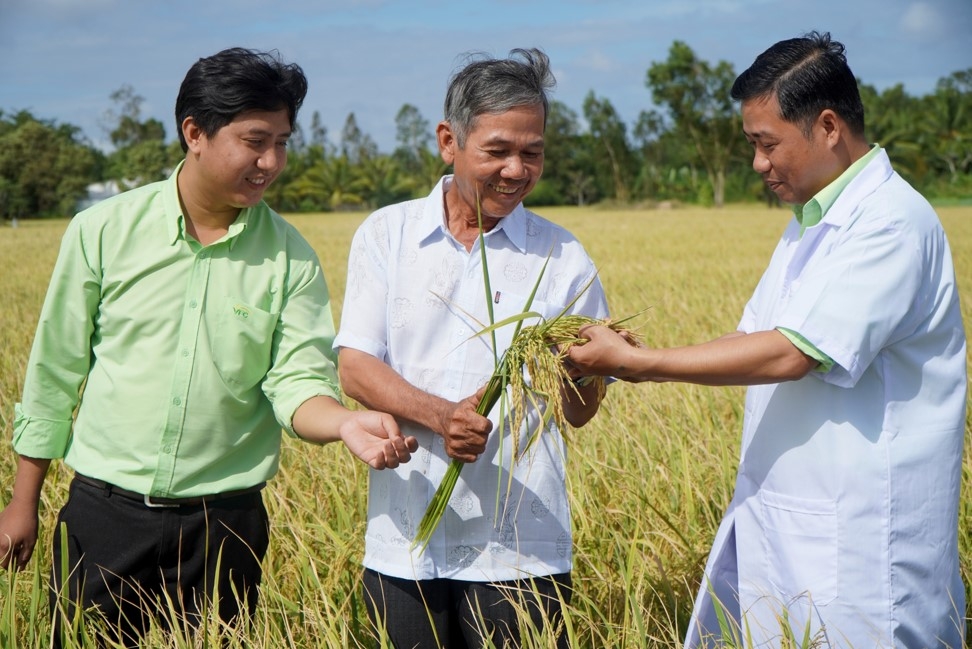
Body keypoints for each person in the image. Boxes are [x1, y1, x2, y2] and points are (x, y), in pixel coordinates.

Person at [0, 47, 417, 647]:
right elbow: (54, 372)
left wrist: (346, 425)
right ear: (194, 132)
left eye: (282, 141)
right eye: (254, 140)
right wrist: (23, 502)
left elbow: (297, 382)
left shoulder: (291, 257)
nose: (270, 161)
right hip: (104, 517)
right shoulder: (103, 231)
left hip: (225, 526)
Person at [566, 31, 967, 648]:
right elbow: (755, 335)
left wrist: (643, 364)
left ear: (828, 126)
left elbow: (792, 351)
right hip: (795, 525)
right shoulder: (810, 222)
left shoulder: (891, 224)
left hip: (863, 545)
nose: (758, 164)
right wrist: (624, 361)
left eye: (766, 143)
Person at [334, 47, 608, 648]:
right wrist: (441, 417)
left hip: (519, 550)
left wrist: (591, 368)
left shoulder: (563, 258)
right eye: (498, 151)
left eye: (532, 152)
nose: (516, 169)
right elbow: (354, 365)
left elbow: (581, 412)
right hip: (405, 535)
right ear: (448, 141)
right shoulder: (388, 233)